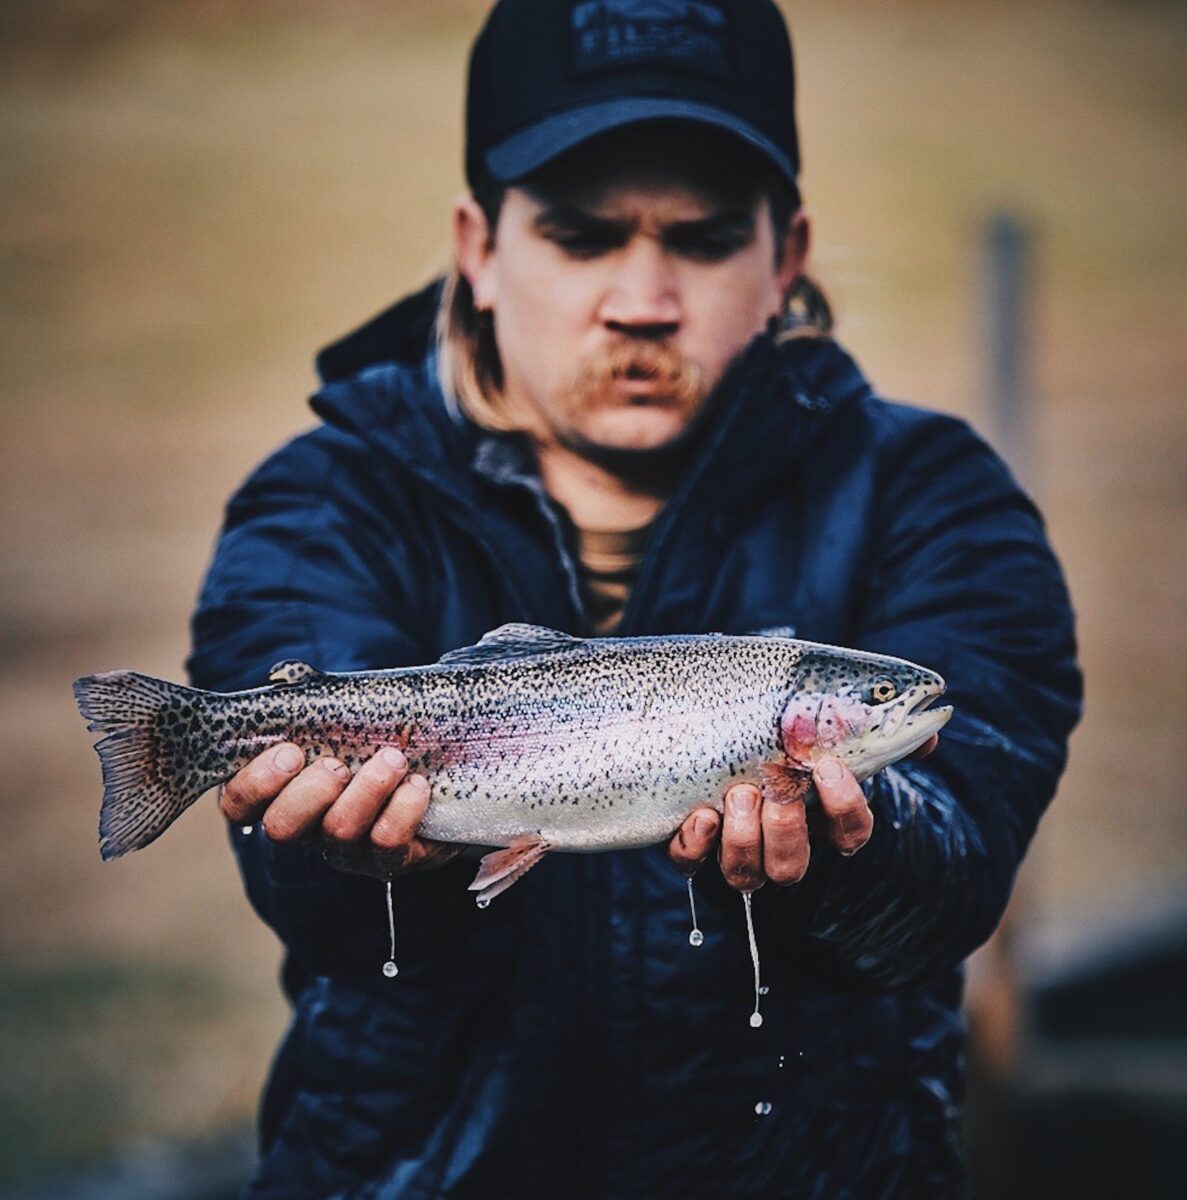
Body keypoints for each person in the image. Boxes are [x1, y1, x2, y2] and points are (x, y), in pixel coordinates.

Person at [187, 1, 1081, 1196]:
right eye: (579, 234)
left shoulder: (935, 498)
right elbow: (310, 904)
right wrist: (372, 860)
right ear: (477, 247)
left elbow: (953, 873)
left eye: (702, 238)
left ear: (787, 254)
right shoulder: (325, 501)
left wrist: (853, 851)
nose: (642, 297)